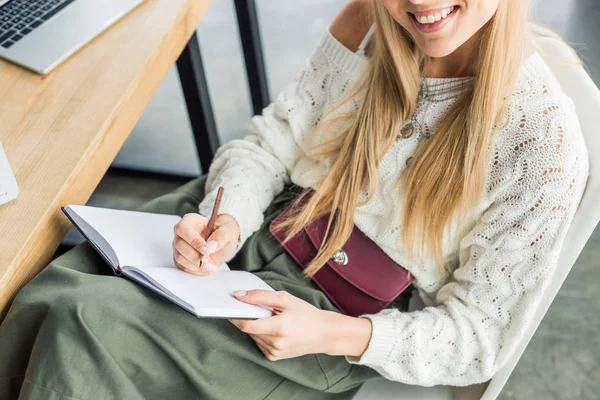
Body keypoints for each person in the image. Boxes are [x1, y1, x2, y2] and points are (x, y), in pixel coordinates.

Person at [0, 0, 590, 399]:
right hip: (261, 224)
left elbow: (479, 339)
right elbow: (271, 145)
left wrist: (332, 335)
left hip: (324, 317)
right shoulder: (370, 22)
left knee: (81, 322)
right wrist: (224, 217)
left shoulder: (541, 141)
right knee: (47, 289)